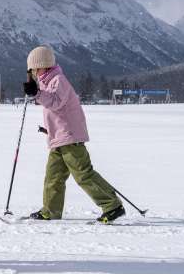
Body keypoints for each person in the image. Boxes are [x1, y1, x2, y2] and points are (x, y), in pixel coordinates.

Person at [22, 45, 126, 223]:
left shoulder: (58, 80)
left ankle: (112, 205)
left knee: (83, 174)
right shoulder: (47, 82)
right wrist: (36, 92)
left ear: (43, 65)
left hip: (70, 138)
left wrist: (37, 93)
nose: (33, 73)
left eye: (34, 69)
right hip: (58, 138)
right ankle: (50, 210)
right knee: (53, 176)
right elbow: (54, 110)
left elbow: (55, 103)